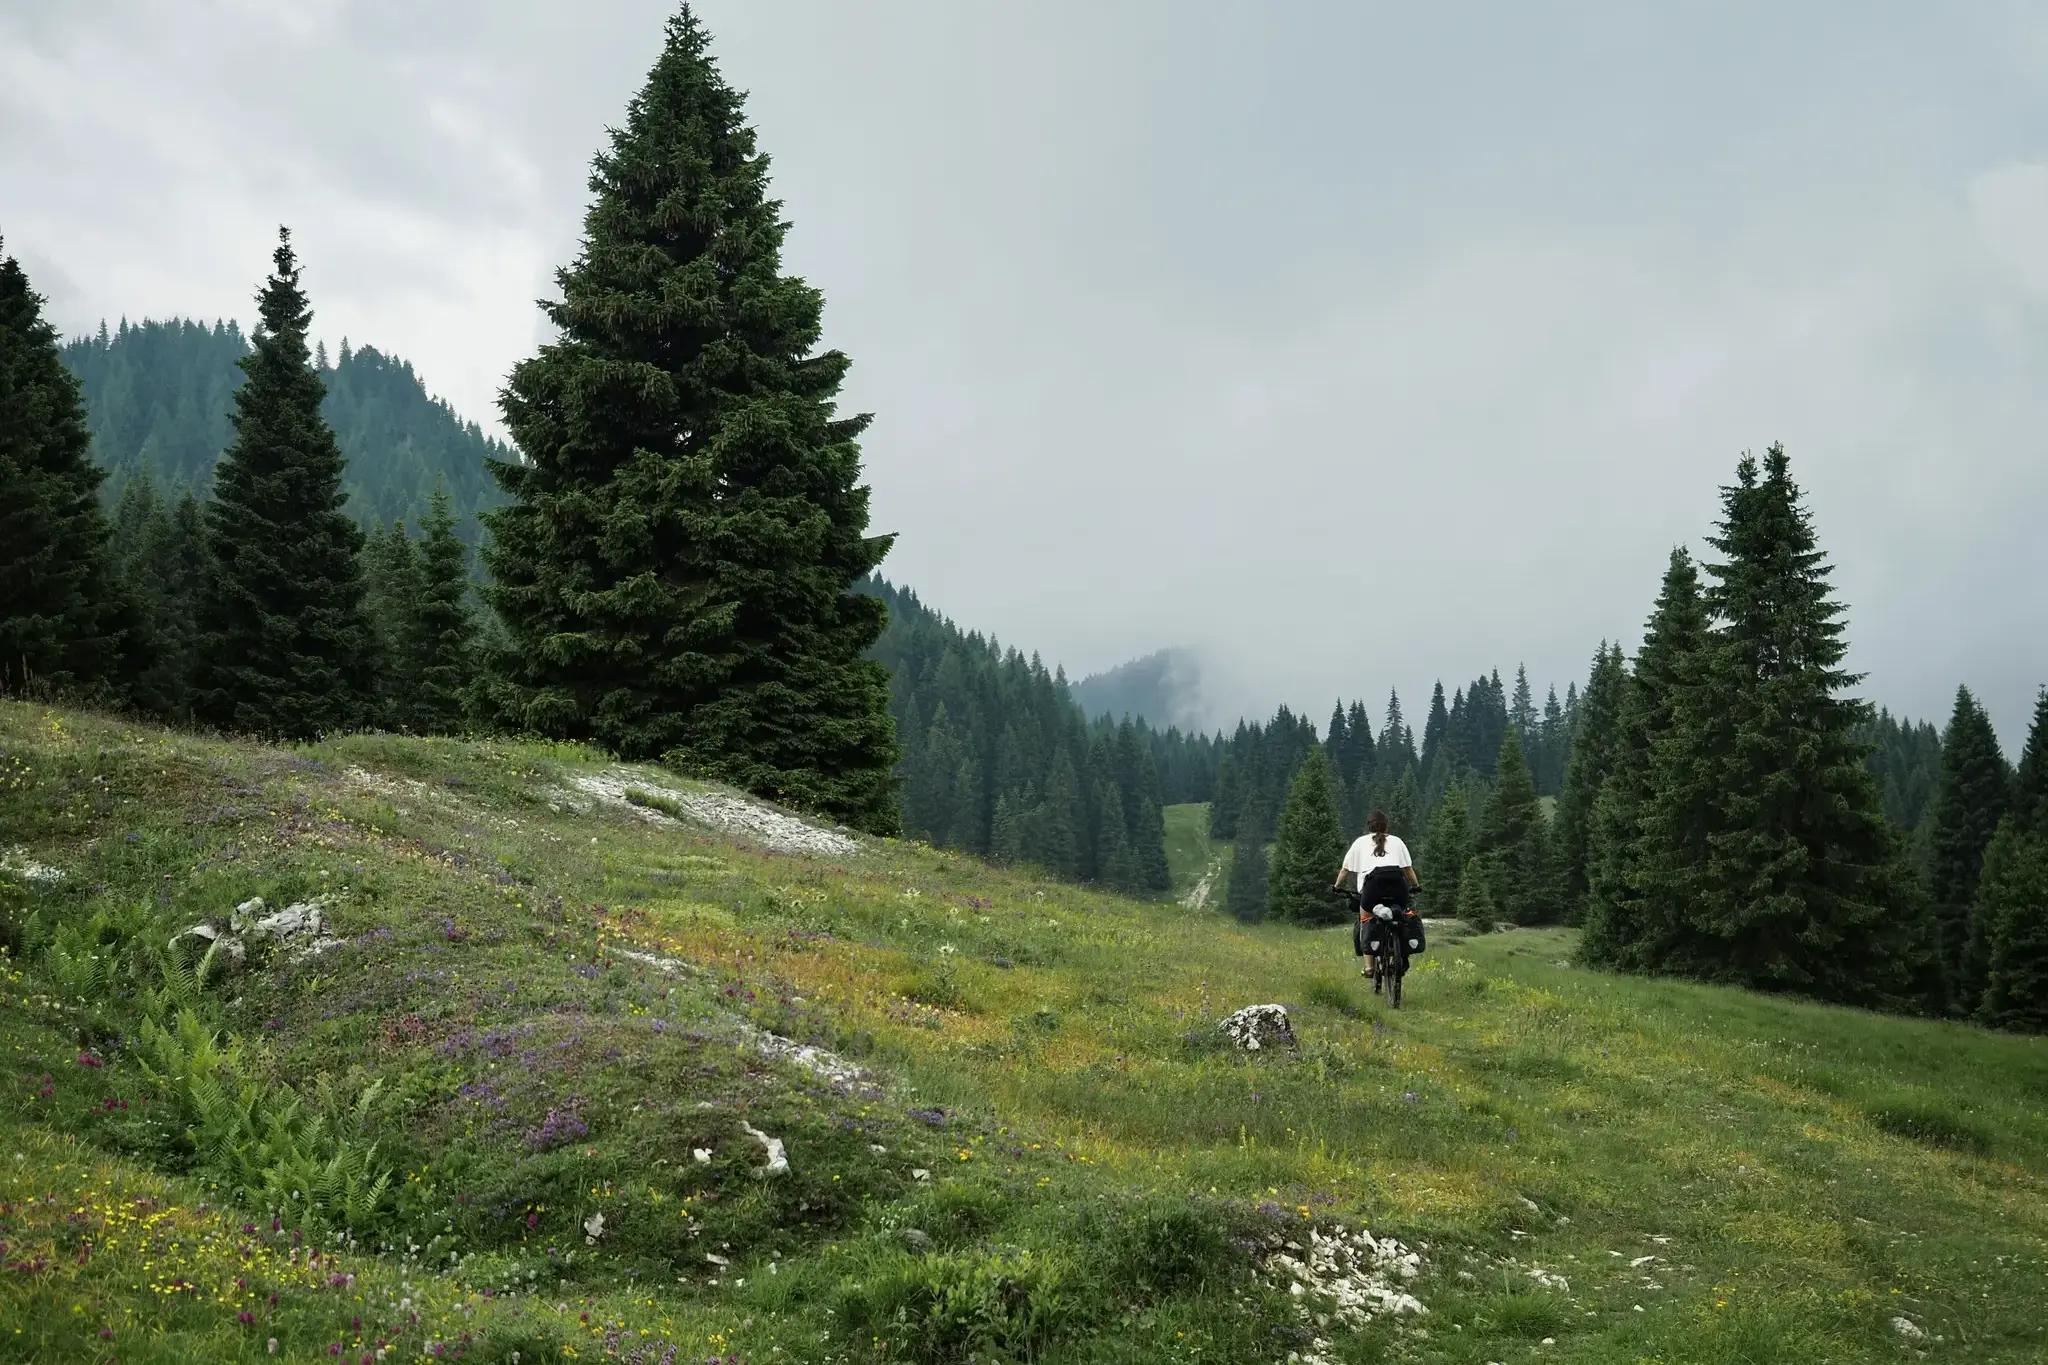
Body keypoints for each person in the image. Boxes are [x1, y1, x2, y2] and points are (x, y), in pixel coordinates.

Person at [1334, 810, 1423, 986]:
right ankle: (1402, 955)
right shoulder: (1397, 841)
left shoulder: (1360, 842)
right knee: (1401, 915)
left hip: (1372, 888)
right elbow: (1408, 869)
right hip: (1398, 886)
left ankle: (1369, 967)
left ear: (1369, 827)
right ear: (1386, 826)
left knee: (1366, 918)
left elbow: (1345, 870)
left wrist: (1336, 886)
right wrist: (1416, 885)